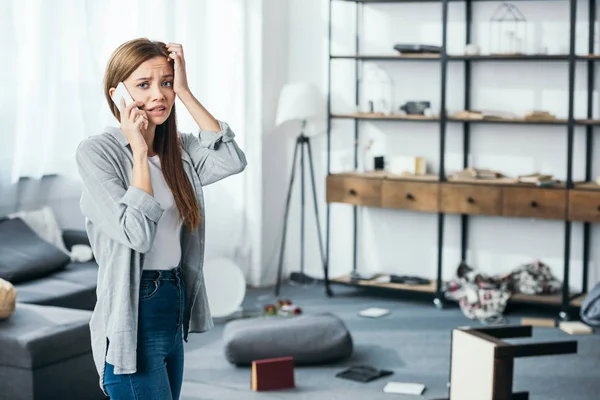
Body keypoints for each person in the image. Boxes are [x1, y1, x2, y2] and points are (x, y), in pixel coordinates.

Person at [75, 38, 247, 400]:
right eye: (143, 84)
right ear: (117, 94)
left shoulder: (177, 150)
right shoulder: (97, 153)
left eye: (165, 82)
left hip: (173, 300)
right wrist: (138, 152)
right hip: (134, 310)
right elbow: (135, 234)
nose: (159, 94)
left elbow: (231, 158)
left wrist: (184, 90)